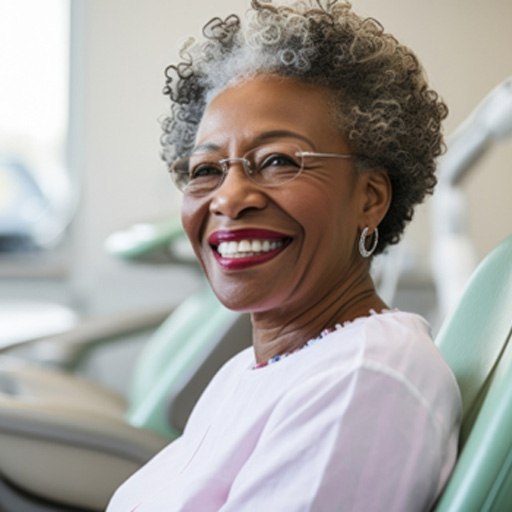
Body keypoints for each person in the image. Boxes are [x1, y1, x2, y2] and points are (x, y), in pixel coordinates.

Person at [107, 1, 461, 510]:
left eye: (277, 161)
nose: (228, 198)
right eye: (206, 170)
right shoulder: (246, 372)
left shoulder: (363, 379)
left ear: (370, 198)